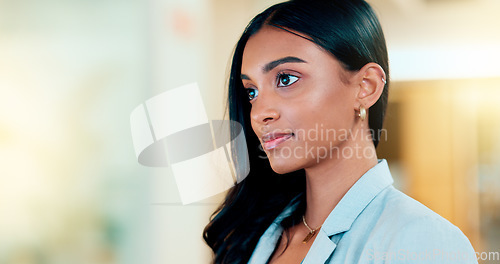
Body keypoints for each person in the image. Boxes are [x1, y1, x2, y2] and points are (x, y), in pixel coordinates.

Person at [203, 0, 478, 263]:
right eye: (252, 92)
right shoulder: (255, 233)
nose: (259, 113)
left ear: (365, 87)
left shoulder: (421, 239)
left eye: (286, 79)